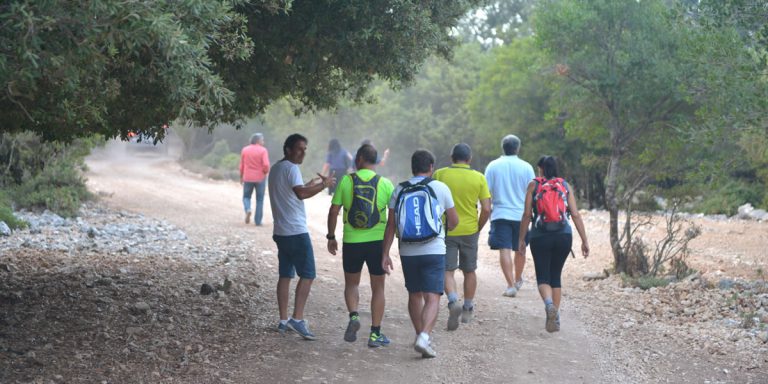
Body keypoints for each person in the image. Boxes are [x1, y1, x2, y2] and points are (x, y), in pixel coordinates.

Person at [382, 149, 458, 358]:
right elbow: (454, 220)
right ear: (431, 167)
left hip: (408, 251)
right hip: (434, 250)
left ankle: (419, 335)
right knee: (433, 296)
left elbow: (391, 226)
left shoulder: (399, 189)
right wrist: (445, 229)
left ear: (412, 167)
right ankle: (424, 336)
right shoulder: (440, 188)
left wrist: (385, 254)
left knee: (414, 294)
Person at [326, 144, 395, 348]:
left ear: (360, 159)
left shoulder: (347, 181)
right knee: (378, 288)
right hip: (376, 242)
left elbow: (333, 211)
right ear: (375, 161)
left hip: (352, 241)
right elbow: (393, 219)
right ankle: (375, 334)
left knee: (352, 284)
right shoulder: (385, 184)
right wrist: (387, 249)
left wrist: (331, 236)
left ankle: (354, 316)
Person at [269, 133, 336, 340]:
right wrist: (324, 185)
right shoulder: (291, 168)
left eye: (305, 149)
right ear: (288, 149)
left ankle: (283, 320)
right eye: (300, 149)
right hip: (296, 232)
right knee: (308, 274)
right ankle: (297, 319)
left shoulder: (277, 168)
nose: (303, 153)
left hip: (281, 231)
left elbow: (296, 190)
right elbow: (301, 194)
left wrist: (310, 184)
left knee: (286, 275)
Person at [517, 156, 589, 332]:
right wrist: (584, 241)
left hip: (540, 236)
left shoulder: (534, 185)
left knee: (543, 277)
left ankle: (549, 305)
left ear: (540, 169)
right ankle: (554, 318)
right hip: (563, 236)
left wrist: (521, 239)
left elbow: (527, 215)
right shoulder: (564, 185)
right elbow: (576, 214)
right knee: (555, 276)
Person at [433, 143, 491, 331]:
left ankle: (452, 301)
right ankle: (467, 307)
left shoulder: (440, 175)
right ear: (470, 159)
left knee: (447, 270)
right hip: (469, 230)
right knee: (469, 270)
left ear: (451, 157)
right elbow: (487, 208)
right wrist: (478, 227)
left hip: (447, 229)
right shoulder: (479, 177)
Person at [484, 135, 536, 297]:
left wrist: (489, 211)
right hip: (521, 215)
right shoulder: (527, 167)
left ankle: (510, 285)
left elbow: (487, 193)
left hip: (500, 214)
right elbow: (532, 192)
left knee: (504, 249)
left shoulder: (492, 166)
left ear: (503, 147)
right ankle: (518, 278)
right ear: (517, 148)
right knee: (520, 248)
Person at [240, 133, 270, 226]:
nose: (263, 142)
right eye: (262, 140)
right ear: (258, 141)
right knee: (260, 200)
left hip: (248, 177)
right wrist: (265, 172)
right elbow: (266, 164)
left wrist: (241, 176)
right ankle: (258, 221)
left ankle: (248, 209)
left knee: (246, 197)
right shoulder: (263, 150)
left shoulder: (245, 150)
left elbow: (242, 165)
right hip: (260, 178)